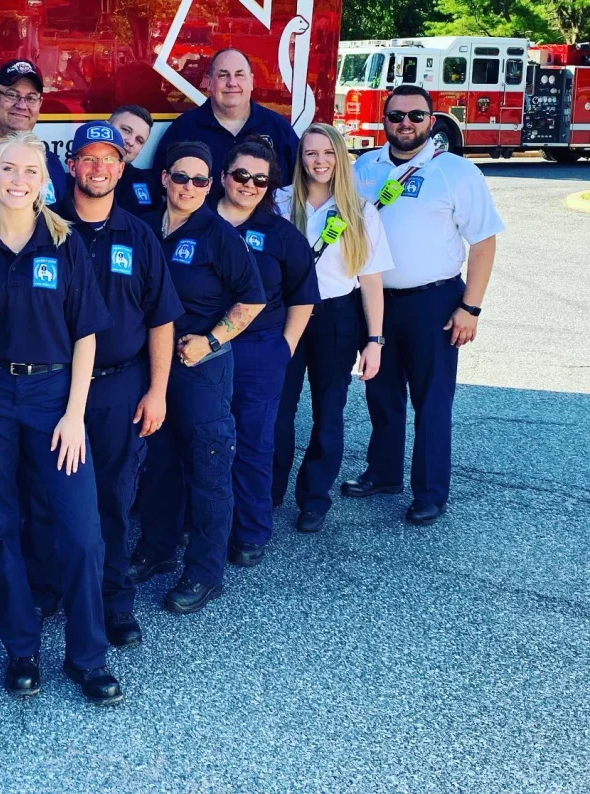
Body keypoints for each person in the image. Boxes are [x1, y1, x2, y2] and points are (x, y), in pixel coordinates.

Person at [0, 131, 123, 704]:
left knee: (81, 533)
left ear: (45, 180)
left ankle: (87, 655)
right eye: (8, 169)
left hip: (53, 396)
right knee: (0, 527)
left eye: (31, 170)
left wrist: (75, 414)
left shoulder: (65, 241)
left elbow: (87, 336)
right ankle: (21, 649)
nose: (19, 179)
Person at [342, 85, 503, 525]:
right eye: (396, 116)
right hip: (376, 301)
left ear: (432, 122)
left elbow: (484, 243)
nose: (405, 124)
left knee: (431, 401)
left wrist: (470, 308)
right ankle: (384, 472)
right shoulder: (364, 167)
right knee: (381, 392)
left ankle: (430, 492)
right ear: (384, 120)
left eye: (416, 116)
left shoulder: (456, 172)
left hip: (434, 300)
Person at [55, 121, 183, 644]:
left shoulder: (139, 234)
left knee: (113, 497)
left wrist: (157, 390)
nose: (99, 167)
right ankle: (52, 592)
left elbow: (161, 319)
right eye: (88, 158)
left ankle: (114, 603)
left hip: (118, 388)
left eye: (109, 158)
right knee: (50, 496)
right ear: (71, 167)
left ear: (123, 167)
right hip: (54, 389)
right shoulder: (46, 227)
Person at [131, 140, 266, 614]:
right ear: (164, 178)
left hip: (199, 367)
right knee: (158, 463)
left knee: (208, 468)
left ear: (211, 187)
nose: (189, 186)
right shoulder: (146, 228)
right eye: (181, 177)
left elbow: (252, 300)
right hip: (152, 367)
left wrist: (210, 340)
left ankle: (205, 572)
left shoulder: (218, 234)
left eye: (200, 180)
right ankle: (158, 548)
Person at [271, 123, 393, 533]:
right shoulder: (280, 203)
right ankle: (267, 493)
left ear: (340, 157)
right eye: (310, 153)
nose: (319, 161)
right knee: (277, 411)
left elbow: (371, 282)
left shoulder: (359, 210)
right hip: (288, 317)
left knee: (328, 414)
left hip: (337, 318)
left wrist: (374, 340)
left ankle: (313, 499)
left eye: (327, 152)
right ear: (300, 159)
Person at [214, 139, 319, 565]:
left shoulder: (282, 235)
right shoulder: (196, 222)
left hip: (259, 351)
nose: (249, 185)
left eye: (261, 179)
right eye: (241, 175)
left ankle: (251, 531)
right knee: (201, 441)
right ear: (223, 176)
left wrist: (285, 348)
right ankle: (199, 524)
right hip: (201, 350)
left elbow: (304, 296)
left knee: (254, 443)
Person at [151, 48, 299, 201]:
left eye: (239, 75)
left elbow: (302, 186)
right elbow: (160, 190)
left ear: (252, 81)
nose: (232, 83)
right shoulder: (182, 130)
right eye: (223, 75)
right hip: (200, 224)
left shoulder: (279, 129)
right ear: (208, 82)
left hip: (265, 224)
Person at [0, 59, 67, 207]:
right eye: (11, 95)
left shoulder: (50, 163)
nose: (22, 105)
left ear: (40, 104)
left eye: (31, 98)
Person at [108, 104, 161, 214]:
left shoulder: (148, 183)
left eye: (139, 140)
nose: (130, 142)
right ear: (106, 126)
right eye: (126, 130)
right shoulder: (78, 176)